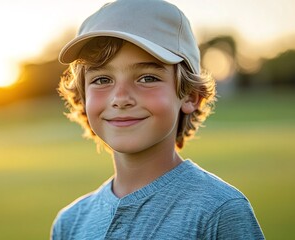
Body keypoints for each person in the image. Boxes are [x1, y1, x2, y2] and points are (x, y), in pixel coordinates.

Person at [51, 0, 264, 239]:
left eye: (147, 78)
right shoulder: (70, 223)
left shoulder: (219, 211)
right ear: (82, 98)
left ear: (189, 95)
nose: (120, 98)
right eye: (102, 80)